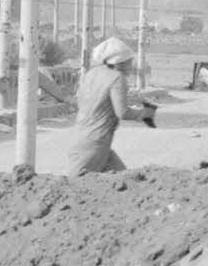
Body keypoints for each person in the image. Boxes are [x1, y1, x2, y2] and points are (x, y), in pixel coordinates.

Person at [66, 37, 157, 176]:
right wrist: (145, 113)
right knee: (76, 183)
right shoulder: (117, 77)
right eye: (129, 61)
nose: (131, 66)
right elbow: (122, 113)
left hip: (82, 137)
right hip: (96, 143)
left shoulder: (92, 73)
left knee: (125, 180)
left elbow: (84, 101)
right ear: (120, 62)